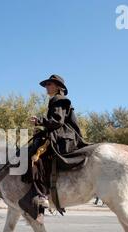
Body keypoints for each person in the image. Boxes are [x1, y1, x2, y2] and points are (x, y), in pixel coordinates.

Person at [19, 75, 88, 221]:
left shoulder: (58, 100)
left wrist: (39, 121)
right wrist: (42, 128)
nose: (46, 87)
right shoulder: (56, 100)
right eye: (46, 85)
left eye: (49, 84)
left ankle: (41, 195)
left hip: (64, 137)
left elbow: (57, 121)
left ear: (57, 87)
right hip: (61, 134)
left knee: (35, 158)